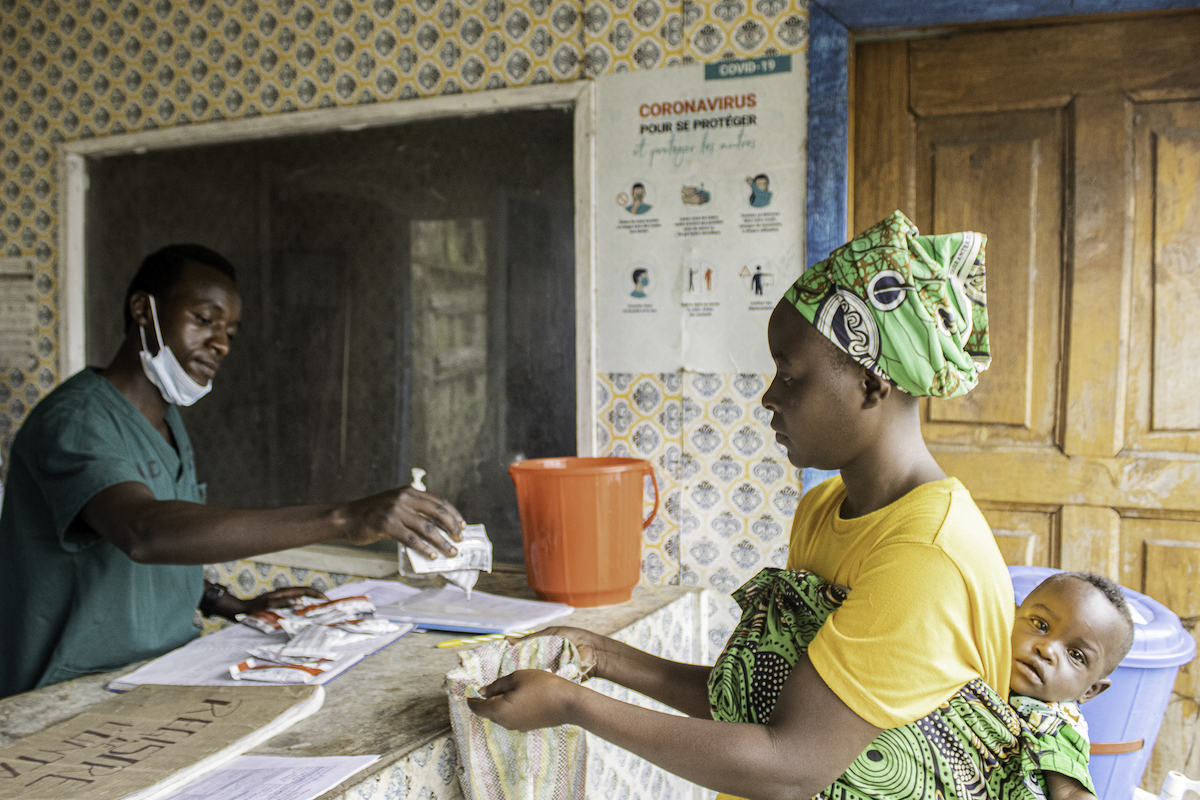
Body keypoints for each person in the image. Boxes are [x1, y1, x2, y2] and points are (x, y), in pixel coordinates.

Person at [470, 210, 1011, 800]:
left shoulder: (925, 559)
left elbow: (791, 765)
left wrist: (574, 704)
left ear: (871, 386)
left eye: (790, 376)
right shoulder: (826, 508)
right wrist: (598, 654)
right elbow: (767, 703)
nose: (768, 396)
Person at [0, 244, 466, 698]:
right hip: (66, 693)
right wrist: (344, 517)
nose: (220, 344)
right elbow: (145, 533)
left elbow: (139, 553)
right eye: (204, 320)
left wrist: (228, 603)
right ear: (143, 310)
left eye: (230, 332)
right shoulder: (75, 422)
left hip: (154, 675)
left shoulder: (167, 424)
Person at [1009, 571, 1135, 800]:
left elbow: (1071, 793)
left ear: (1090, 690)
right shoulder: (982, 656)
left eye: (1076, 655)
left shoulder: (1054, 722)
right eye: (1040, 625)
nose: (1047, 650)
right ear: (1011, 614)